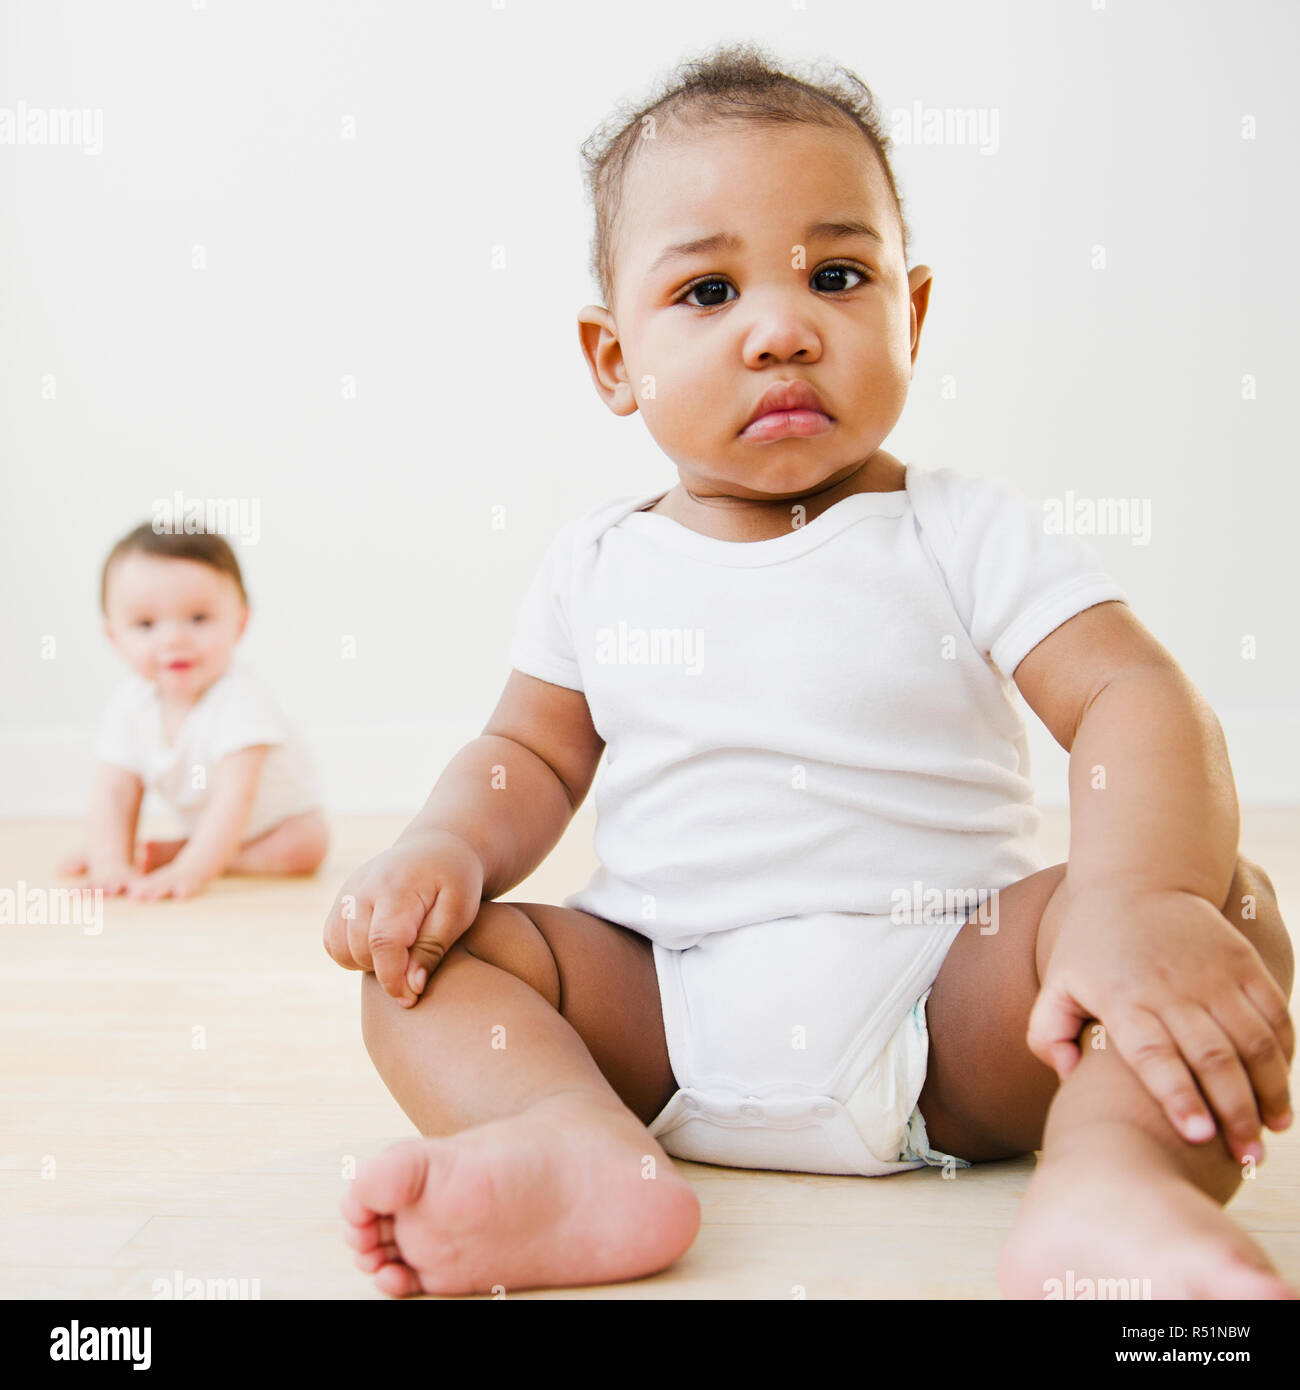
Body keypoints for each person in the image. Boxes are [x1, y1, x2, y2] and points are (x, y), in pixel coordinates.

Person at [324, 42, 1294, 1298]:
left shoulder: (959, 528)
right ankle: (576, 1148)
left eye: (836, 276)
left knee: (1235, 908)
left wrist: (1139, 898)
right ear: (612, 357)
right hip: (663, 1010)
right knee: (425, 977)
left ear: (913, 309)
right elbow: (526, 754)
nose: (782, 329)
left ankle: (1111, 1185)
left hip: (954, 1013)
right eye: (709, 292)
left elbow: (1130, 695)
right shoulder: (593, 565)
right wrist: (448, 849)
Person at [60, 522, 328, 899]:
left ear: (240, 622)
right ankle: (186, 848)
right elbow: (114, 793)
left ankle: (198, 853)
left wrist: (189, 870)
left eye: (199, 618)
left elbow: (235, 799)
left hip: (274, 825)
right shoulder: (131, 704)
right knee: (113, 832)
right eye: (146, 624)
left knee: (305, 845)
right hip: (210, 828)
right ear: (114, 637)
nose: (174, 639)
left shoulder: (242, 699)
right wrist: (109, 863)